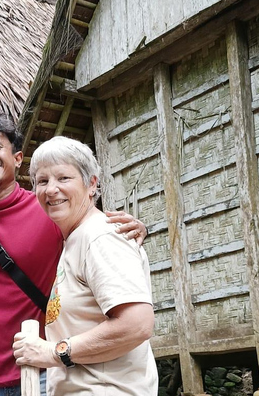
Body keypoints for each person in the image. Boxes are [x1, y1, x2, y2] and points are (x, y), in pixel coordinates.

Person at [0, 112, 147, 396]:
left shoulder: (51, 208)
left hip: (50, 370)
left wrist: (134, 227)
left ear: (18, 158)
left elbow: (94, 233)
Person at [12, 136, 158, 395]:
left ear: (91, 184)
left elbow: (137, 324)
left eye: (63, 178)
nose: (51, 189)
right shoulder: (75, 238)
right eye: (43, 181)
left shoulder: (100, 237)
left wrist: (55, 352)